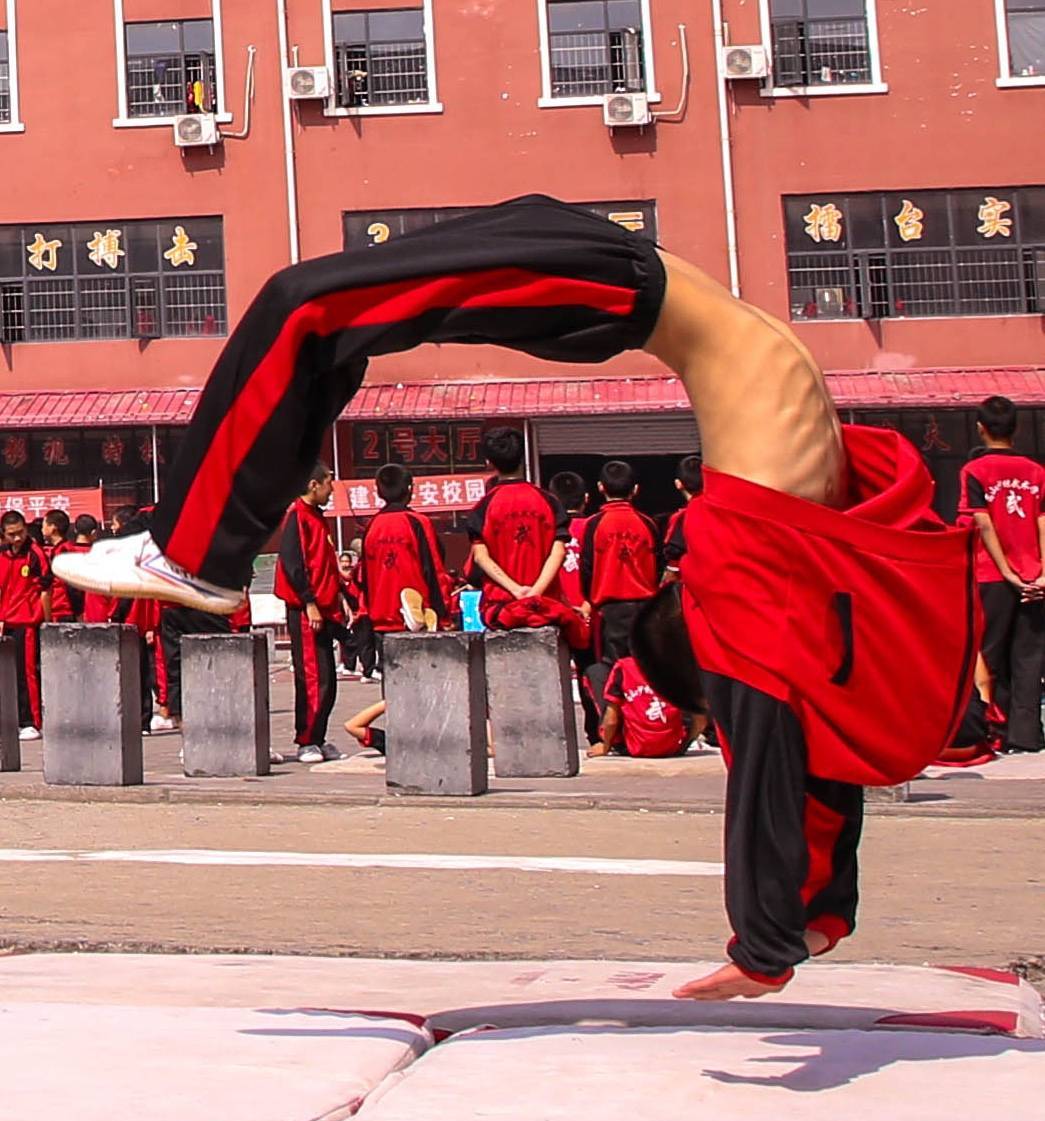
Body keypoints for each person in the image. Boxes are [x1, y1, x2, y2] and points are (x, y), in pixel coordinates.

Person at [54, 193, 977, 998]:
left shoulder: (787, 538)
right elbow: (776, 732)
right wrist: (784, 930)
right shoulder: (759, 566)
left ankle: (195, 554)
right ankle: (196, 553)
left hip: (625, 269)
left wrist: (796, 929)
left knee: (317, 309)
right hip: (614, 280)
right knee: (310, 305)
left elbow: (786, 738)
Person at [957, 396, 1045, 754]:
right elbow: (1042, 521)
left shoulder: (974, 471)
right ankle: (1026, 736)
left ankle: (995, 727)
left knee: (990, 654)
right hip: (1033, 576)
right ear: (1016, 428)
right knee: (1029, 655)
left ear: (980, 428)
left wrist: (1007, 571)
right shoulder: (1036, 471)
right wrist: (1041, 573)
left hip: (993, 575)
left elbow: (983, 523)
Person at [463, 426, 587, 648]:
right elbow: (557, 552)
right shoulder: (549, 501)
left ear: (489, 463)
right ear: (523, 458)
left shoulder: (483, 508)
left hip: (503, 609)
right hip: (545, 607)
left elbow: (481, 558)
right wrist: (535, 593)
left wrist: (517, 591)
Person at [274, 462, 347, 763]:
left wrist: (340, 597)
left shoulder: (317, 519)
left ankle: (318, 736)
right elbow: (293, 565)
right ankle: (306, 740)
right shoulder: (297, 517)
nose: (332, 488)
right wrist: (309, 602)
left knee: (327, 678)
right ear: (314, 485)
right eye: (329, 482)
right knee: (313, 677)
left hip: (325, 608)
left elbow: (324, 566)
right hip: (306, 611)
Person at [580, 460, 660, 667]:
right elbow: (659, 565)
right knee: (645, 668)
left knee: (614, 669)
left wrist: (590, 599)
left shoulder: (594, 525)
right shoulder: (647, 523)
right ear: (635, 489)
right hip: (645, 608)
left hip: (609, 610)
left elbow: (587, 568)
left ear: (600, 487)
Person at [358, 463, 450, 642]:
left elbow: (364, 577)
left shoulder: (371, 526)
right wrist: (443, 614)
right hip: (416, 620)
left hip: (380, 620)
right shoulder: (418, 522)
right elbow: (434, 569)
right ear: (410, 489)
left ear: (379, 492)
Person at [548, 469, 600, 748]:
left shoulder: (549, 533)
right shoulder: (594, 526)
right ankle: (598, 732)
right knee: (592, 671)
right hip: (592, 612)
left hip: (558, 612)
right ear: (587, 498)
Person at [586, 654, 705, 759]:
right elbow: (700, 720)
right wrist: (684, 745)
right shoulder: (679, 665)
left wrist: (606, 746)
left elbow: (611, 721)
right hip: (672, 747)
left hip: (634, 747)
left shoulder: (625, 667)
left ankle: (610, 741)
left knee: (595, 672)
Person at [0, 510, 52, 739]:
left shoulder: (35, 554)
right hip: (5, 620)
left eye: (20, 532)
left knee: (26, 672)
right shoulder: (2, 554)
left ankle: (31, 721)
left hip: (27, 622)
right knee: (6, 674)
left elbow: (45, 590)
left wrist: (48, 622)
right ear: (4, 534)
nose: (17, 538)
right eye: (12, 534)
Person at [662, 454, 703, 583]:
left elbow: (674, 562)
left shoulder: (682, 517)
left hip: (693, 590)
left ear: (678, 484)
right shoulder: (724, 513)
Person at [40, 509, 79, 622]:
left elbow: (72, 586)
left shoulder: (65, 550)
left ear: (53, 528)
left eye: (44, 525)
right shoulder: (57, 550)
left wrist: (78, 613)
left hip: (63, 611)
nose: (42, 530)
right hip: (56, 610)